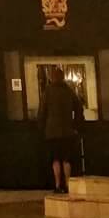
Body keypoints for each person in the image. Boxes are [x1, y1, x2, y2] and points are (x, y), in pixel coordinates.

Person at [40, 66, 83, 194]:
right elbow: (79, 108)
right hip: (68, 132)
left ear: (52, 78)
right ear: (63, 77)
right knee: (66, 159)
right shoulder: (69, 91)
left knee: (55, 159)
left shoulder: (47, 92)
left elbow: (42, 112)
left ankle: (58, 184)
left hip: (52, 133)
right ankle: (68, 184)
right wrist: (76, 125)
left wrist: (42, 128)